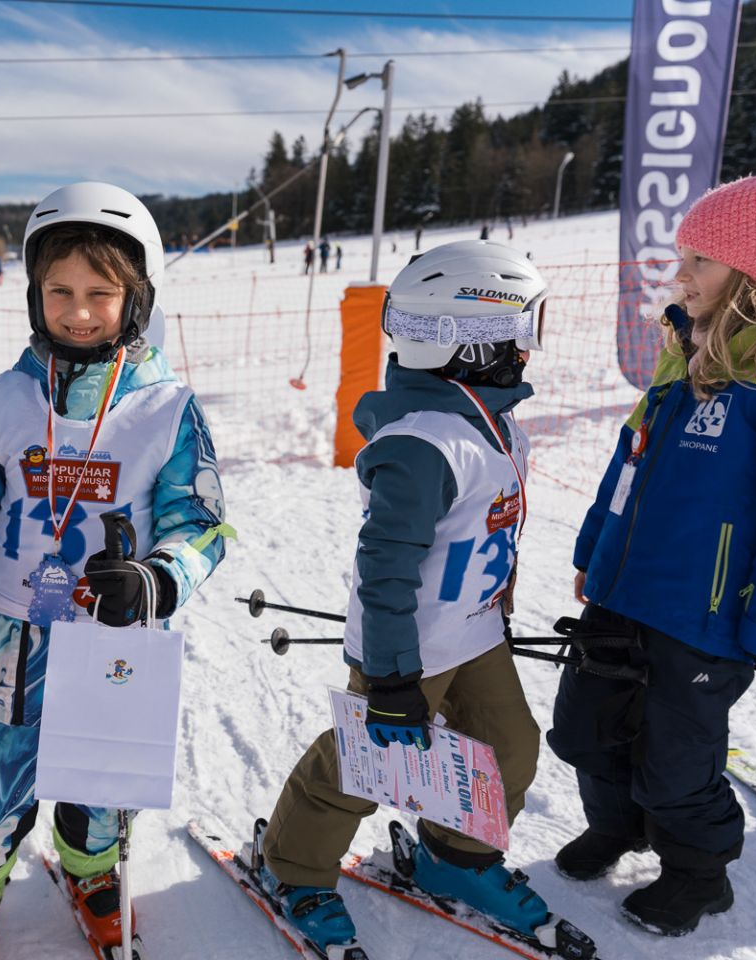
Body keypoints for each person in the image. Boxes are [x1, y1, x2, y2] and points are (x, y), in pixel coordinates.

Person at [0, 182, 229, 960]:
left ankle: (92, 867)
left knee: (103, 784)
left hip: (112, 641)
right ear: (35, 295)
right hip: (14, 637)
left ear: (137, 298)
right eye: (59, 291)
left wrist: (155, 578)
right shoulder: (2, 399)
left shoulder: (167, 409)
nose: (78, 312)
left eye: (100, 293)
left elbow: (201, 525)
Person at [548, 150, 756, 936]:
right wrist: (594, 548)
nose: (679, 276)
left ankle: (697, 873)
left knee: (676, 762)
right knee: (587, 727)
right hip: (624, 590)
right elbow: (630, 463)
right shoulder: (683, 356)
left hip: (709, 614)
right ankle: (616, 826)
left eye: (698, 261)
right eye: (682, 257)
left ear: (752, 274)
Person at [254, 240, 560, 955]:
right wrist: (391, 678)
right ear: (470, 339)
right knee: (365, 767)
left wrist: (498, 598)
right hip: (408, 649)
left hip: (475, 634)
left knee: (509, 748)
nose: (528, 346)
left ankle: (455, 856)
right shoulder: (425, 443)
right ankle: (294, 866)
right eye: (521, 327)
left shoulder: (487, 418)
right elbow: (385, 566)